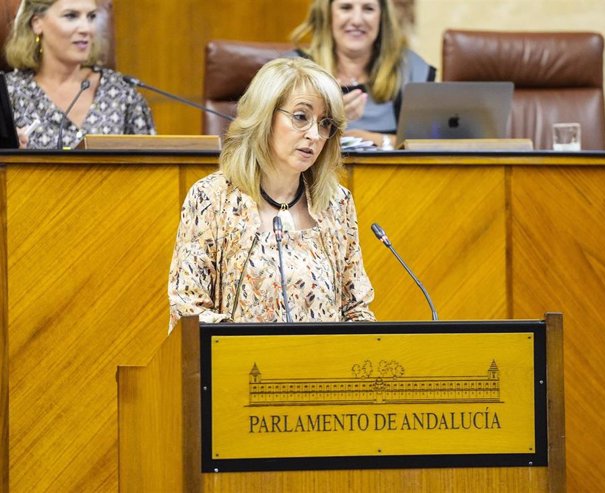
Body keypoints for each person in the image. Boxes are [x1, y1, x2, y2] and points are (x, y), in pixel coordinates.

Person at [168, 57, 375, 331]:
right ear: (265, 115)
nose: (314, 134)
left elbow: (356, 310)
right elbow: (188, 310)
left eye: (324, 123)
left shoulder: (336, 203)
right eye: (301, 117)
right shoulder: (211, 197)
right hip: (241, 369)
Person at [3, 0, 155, 149]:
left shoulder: (121, 93)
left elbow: (156, 169)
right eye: (71, 16)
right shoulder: (9, 94)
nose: (86, 28)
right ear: (37, 23)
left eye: (91, 17)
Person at [290, 0, 435, 149]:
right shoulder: (295, 69)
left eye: (368, 9)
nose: (357, 20)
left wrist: (374, 139)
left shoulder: (409, 68)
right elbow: (277, 139)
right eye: (346, 8)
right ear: (327, 14)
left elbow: (430, 143)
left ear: (382, 16)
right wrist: (328, 120)